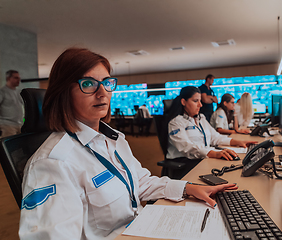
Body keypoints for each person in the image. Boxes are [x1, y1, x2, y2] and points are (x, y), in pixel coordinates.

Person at [18, 48, 237, 240]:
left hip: (143, 227)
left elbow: (141, 183)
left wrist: (189, 188)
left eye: (107, 83)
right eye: (88, 84)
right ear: (63, 93)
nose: (102, 92)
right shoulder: (52, 163)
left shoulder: (114, 139)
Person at [167, 86, 257, 162]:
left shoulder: (201, 118)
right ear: (183, 102)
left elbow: (216, 137)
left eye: (200, 101)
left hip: (203, 158)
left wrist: (238, 142)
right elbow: (187, 147)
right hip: (186, 162)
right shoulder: (176, 123)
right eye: (195, 101)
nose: (200, 105)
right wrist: (214, 153)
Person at [0, 70, 24, 137]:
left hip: (20, 124)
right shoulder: (2, 92)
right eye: (16, 78)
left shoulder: (19, 92)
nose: (18, 80)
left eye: (19, 78)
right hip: (7, 125)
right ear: (8, 78)